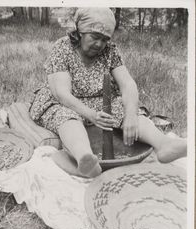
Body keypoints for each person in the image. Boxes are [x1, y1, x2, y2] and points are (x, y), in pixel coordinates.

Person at [29, 8, 187, 178]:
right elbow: (61, 93)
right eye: (94, 37)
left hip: (99, 100)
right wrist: (91, 115)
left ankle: (164, 145)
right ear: (80, 31)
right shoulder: (63, 48)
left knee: (125, 109)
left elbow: (127, 84)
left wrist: (131, 115)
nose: (99, 44)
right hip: (66, 102)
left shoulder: (110, 51)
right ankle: (84, 158)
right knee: (67, 118)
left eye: (104, 39)